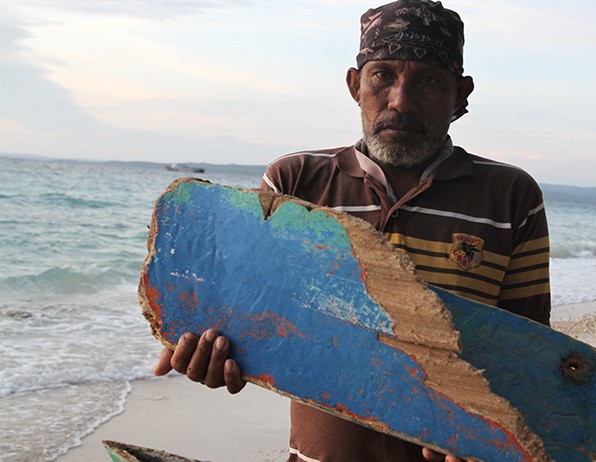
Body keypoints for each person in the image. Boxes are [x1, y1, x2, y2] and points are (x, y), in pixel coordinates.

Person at [154, 1, 551, 461]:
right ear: (354, 84)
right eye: (382, 75)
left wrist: (497, 445)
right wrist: (210, 350)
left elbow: (533, 359)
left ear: (460, 96)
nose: (401, 101)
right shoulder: (292, 184)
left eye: (428, 81)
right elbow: (236, 318)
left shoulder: (509, 197)